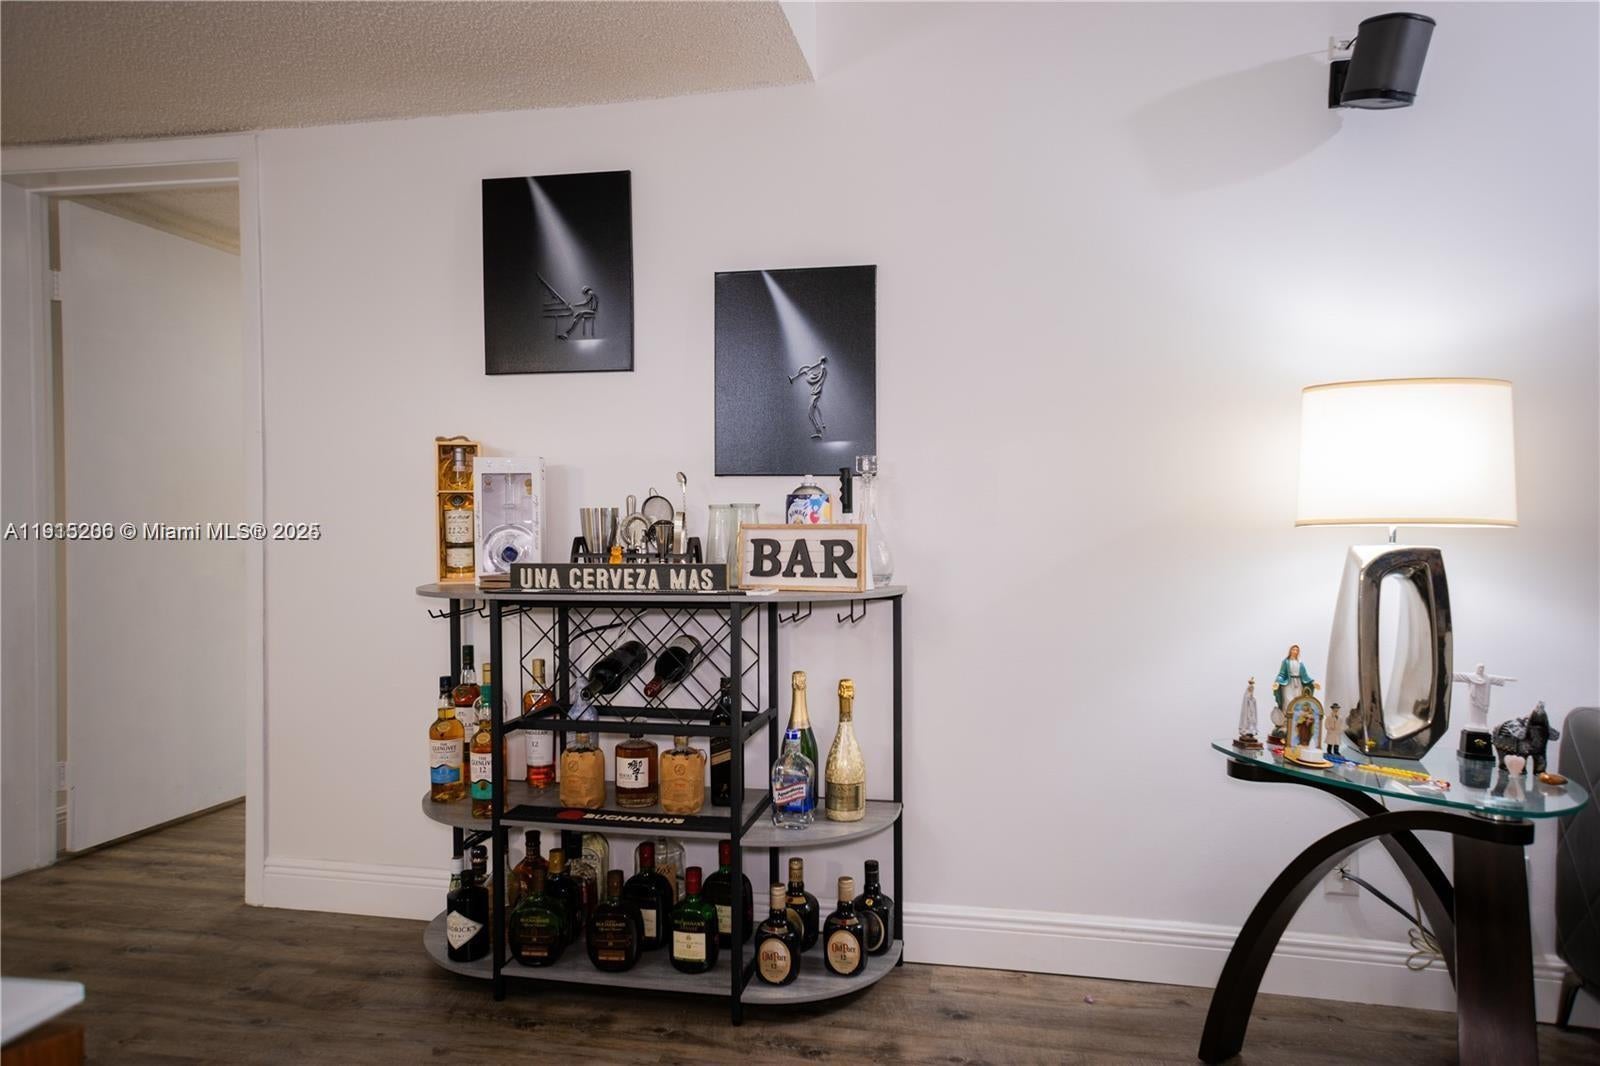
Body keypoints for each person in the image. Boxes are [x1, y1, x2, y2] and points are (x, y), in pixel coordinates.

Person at [1452, 663, 1516, 729]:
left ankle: (1482, 724)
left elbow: (1497, 678)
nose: (1481, 669)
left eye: (1482, 668)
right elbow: (1460, 676)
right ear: (1477, 668)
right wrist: (1449, 674)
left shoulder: (1487, 678)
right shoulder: (1471, 676)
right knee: (1473, 712)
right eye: (1480, 667)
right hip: (1474, 698)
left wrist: (1508, 679)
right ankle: (1472, 723)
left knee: (1482, 713)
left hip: (1483, 699)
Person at [787, 355, 829, 439]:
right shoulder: (822, 369)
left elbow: (814, 380)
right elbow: (815, 377)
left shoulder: (823, 369)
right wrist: (808, 373)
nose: (819, 361)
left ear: (822, 361)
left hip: (816, 393)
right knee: (816, 408)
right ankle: (822, 425)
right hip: (815, 393)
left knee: (810, 414)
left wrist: (808, 374)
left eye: (820, 360)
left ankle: (819, 431)